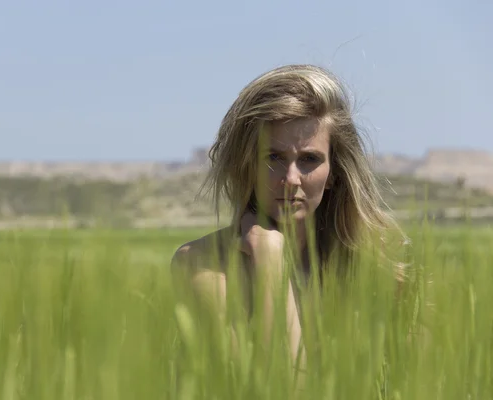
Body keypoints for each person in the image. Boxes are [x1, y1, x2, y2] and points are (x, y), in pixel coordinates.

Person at [170, 64, 407, 368]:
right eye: (273, 158)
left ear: (333, 172)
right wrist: (270, 266)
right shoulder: (203, 264)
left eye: (309, 159)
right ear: (247, 165)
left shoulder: (374, 267)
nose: (291, 178)